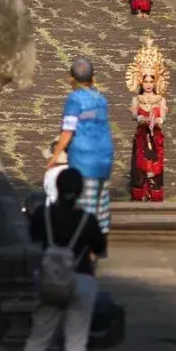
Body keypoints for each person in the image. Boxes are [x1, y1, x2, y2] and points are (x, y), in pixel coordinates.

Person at [22, 168, 107, 351]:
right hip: (81, 277)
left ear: (57, 187)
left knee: (39, 337)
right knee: (76, 340)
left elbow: (33, 239)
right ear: (80, 191)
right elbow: (100, 248)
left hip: (49, 278)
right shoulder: (88, 220)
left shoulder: (41, 215)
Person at [46, 57, 115, 234]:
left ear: (71, 79)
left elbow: (68, 130)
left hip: (85, 159)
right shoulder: (101, 99)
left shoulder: (75, 100)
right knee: (102, 203)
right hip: (104, 157)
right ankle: (99, 243)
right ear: (93, 78)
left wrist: (55, 155)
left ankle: (85, 245)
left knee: (86, 206)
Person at [126, 39, 168, 202]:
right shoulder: (137, 99)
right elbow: (133, 115)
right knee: (140, 165)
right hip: (142, 137)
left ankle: (154, 192)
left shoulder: (160, 100)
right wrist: (141, 118)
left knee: (155, 166)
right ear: (140, 81)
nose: (149, 85)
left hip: (155, 138)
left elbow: (163, 118)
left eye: (151, 81)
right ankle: (140, 191)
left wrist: (157, 121)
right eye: (146, 81)